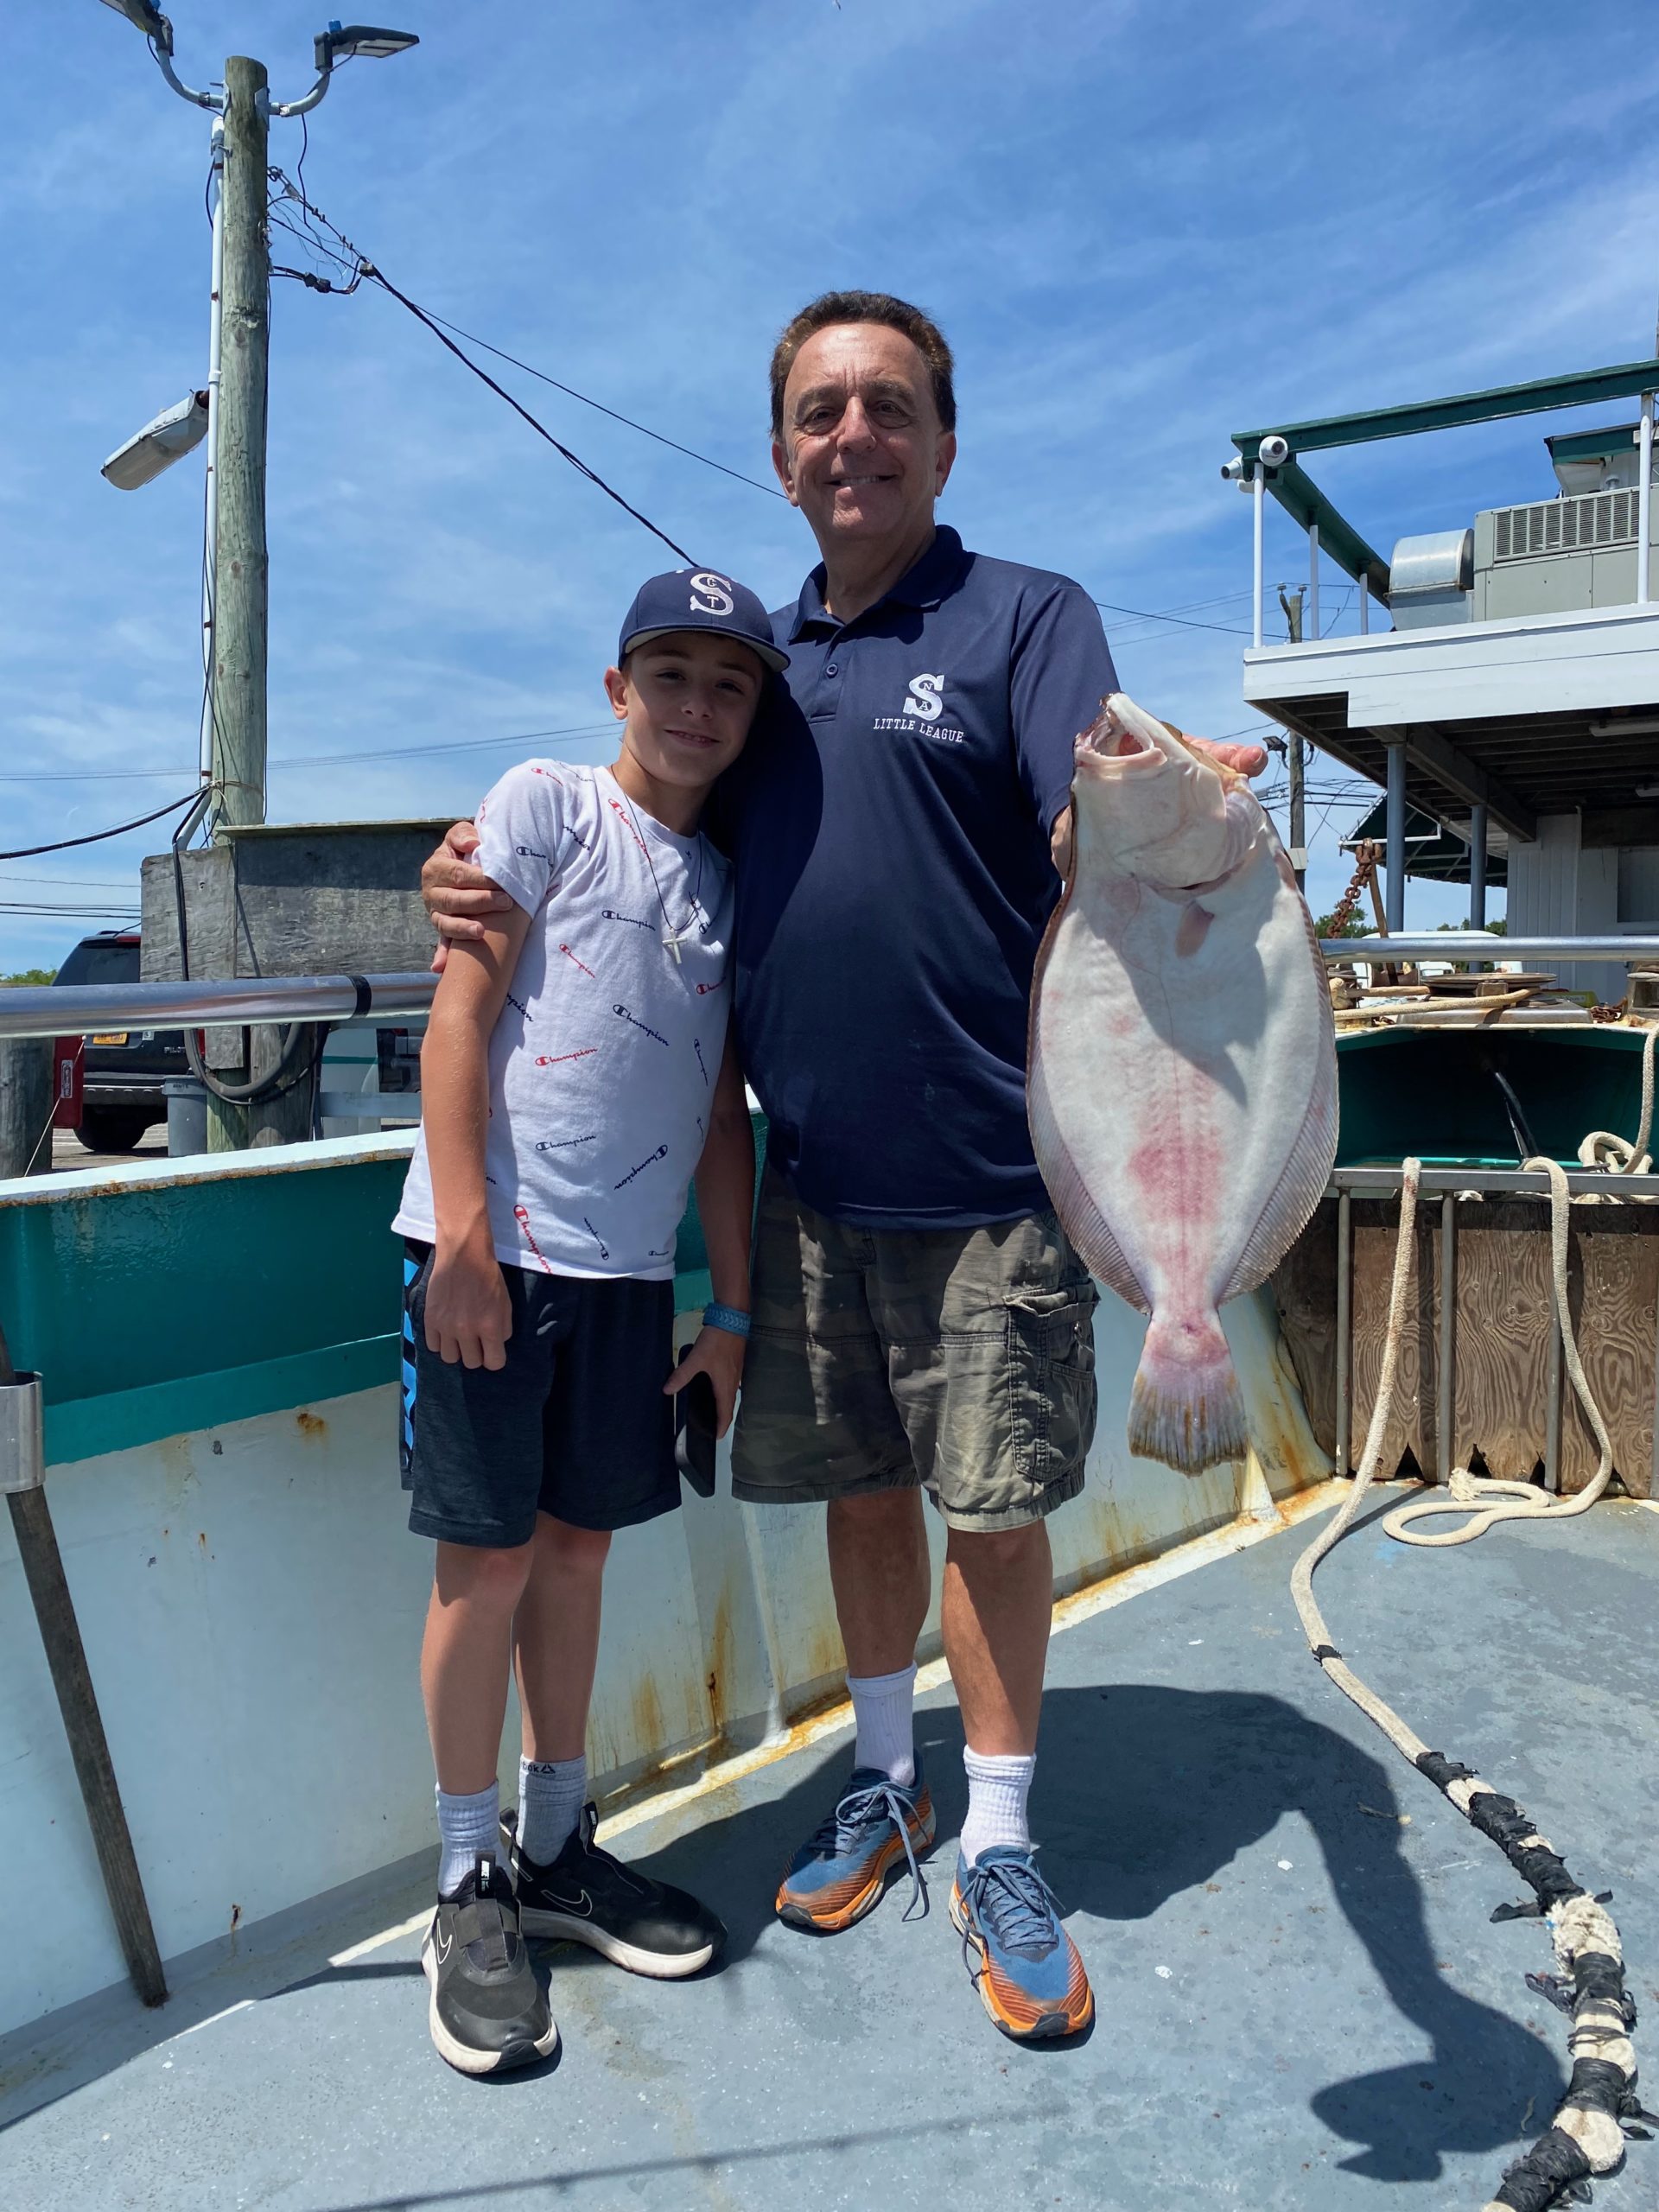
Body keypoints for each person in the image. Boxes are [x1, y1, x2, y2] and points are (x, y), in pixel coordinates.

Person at [421, 293, 1268, 2045]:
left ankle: (1007, 1838)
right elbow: (654, 818)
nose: (854, 433)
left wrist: (1173, 795)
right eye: (821, 409)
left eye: (890, 405)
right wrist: (466, 864)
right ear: (785, 453)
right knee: (868, 1500)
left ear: (944, 442)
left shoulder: (1028, 615)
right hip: (802, 1193)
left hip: (996, 1178)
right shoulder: (772, 671)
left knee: (999, 1514)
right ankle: (887, 1773)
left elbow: (1082, 808)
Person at [397, 568, 783, 2073]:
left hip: (633, 1283)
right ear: (618, 687)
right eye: (669, 675)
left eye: (729, 685)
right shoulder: (545, 803)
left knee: (574, 1551)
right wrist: (467, 1240)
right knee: (483, 1566)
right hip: (492, 1259)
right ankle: (464, 1877)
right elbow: (457, 1021)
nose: (697, 706)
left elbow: (723, 1118)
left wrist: (729, 1306)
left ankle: (559, 1843)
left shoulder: (732, 885)